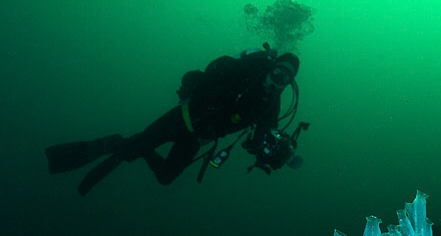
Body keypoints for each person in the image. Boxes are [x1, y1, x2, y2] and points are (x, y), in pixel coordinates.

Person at [46, 45, 306, 195]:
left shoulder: (271, 106)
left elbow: (262, 137)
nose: (279, 79)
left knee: (165, 177)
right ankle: (120, 144)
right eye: (278, 72)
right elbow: (210, 72)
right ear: (271, 67)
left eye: (286, 78)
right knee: (128, 152)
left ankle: (138, 145)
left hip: (198, 139)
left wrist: (272, 153)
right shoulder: (246, 72)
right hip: (182, 118)